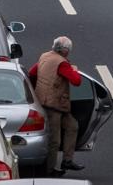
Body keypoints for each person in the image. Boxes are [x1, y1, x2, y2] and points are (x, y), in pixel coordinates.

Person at [28, 36, 84, 176]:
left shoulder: (44, 56)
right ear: (65, 50)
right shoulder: (62, 63)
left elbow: (32, 73)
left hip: (51, 103)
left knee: (72, 126)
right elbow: (76, 81)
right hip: (53, 105)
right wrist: (74, 69)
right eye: (69, 50)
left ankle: (67, 160)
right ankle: (49, 170)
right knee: (54, 140)